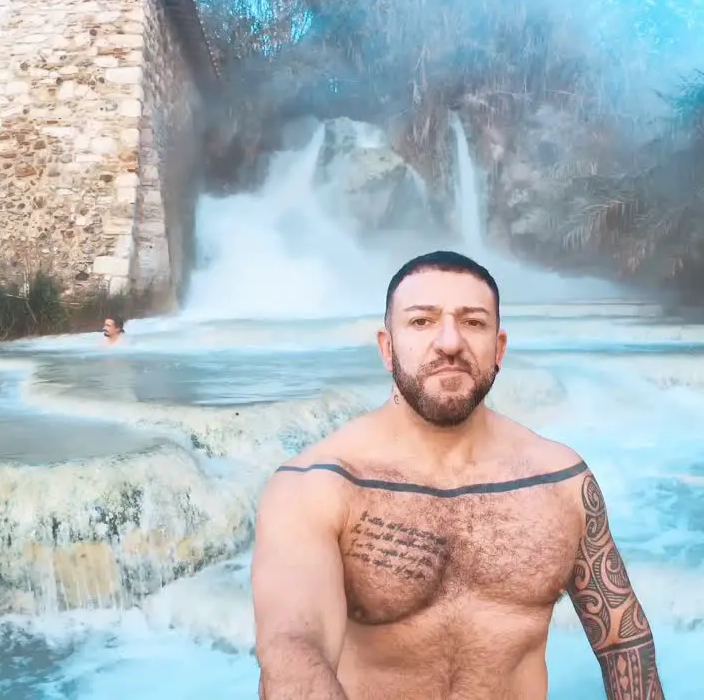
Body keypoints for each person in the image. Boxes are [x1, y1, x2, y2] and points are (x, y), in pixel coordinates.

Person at [251, 250, 663, 699]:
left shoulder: (560, 481)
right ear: (387, 348)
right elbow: (294, 649)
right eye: (422, 321)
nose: (449, 342)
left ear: (498, 348)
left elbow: (623, 642)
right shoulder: (317, 486)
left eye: (473, 322)